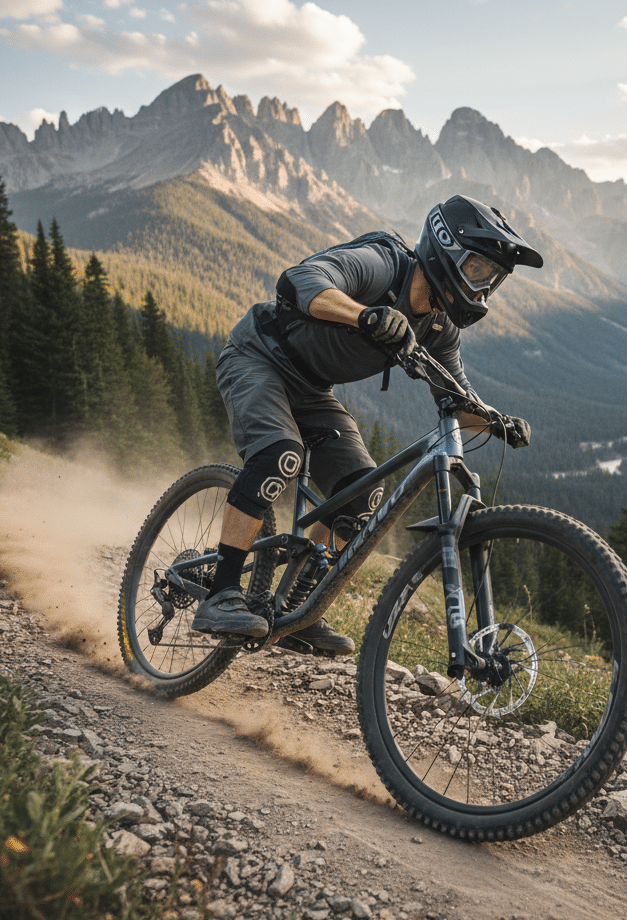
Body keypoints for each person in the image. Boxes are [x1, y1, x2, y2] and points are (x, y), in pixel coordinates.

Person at [191, 194, 544, 654]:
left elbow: (456, 400)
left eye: (492, 280)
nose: (482, 288)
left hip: (312, 388)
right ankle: (220, 592)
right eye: (478, 270)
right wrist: (365, 314)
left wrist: (497, 423)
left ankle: (296, 612)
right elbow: (299, 281)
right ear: (447, 248)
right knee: (280, 456)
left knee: (361, 496)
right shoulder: (382, 266)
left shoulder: (439, 329)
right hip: (259, 356)